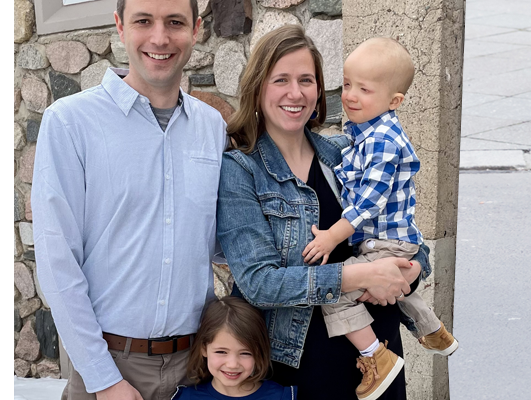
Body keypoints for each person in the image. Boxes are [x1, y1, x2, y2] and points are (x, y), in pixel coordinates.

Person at [215, 25, 423, 400]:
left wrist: (413, 268)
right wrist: (359, 274)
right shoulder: (241, 170)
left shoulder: (346, 153)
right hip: (300, 366)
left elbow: (401, 231)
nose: (295, 93)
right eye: (281, 80)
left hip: (381, 352)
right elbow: (259, 283)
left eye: (306, 80)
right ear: (258, 87)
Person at [32, 0, 225, 398]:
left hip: (196, 369)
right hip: (109, 366)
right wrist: (104, 379)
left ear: (196, 30)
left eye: (175, 22)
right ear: (120, 26)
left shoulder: (212, 127)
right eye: (144, 21)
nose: (160, 38)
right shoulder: (70, 122)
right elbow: (57, 262)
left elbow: (221, 240)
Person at [299, 37, 460, 398]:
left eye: (364, 89)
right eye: (347, 84)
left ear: (394, 100)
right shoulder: (363, 135)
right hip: (391, 241)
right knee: (395, 284)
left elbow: (368, 201)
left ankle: (375, 357)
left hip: (384, 242)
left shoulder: (382, 139)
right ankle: (433, 331)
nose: (350, 96)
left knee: (334, 291)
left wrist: (332, 236)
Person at [172, 297, 295, 399]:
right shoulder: (187, 397)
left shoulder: (281, 396)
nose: (232, 364)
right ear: (204, 348)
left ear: (259, 351)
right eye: (221, 352)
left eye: (245, 353)